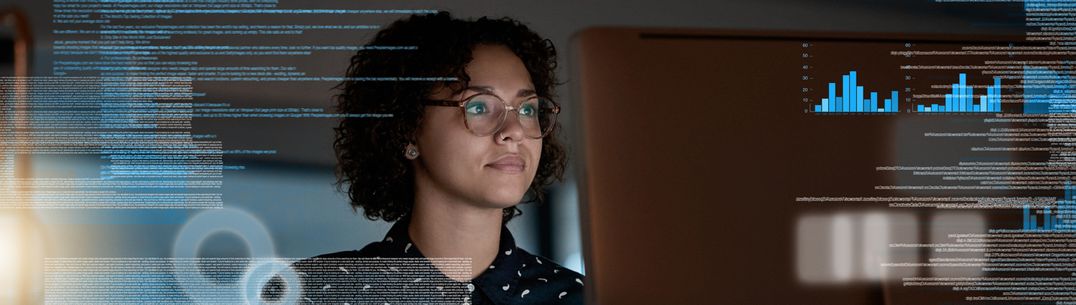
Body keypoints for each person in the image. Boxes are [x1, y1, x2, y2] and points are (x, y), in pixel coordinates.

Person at [269, 12, 584, 305]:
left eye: (527, 109)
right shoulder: (311, 292)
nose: (515, 130)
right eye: (479, 106)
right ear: (407, 129)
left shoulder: (586, 297)